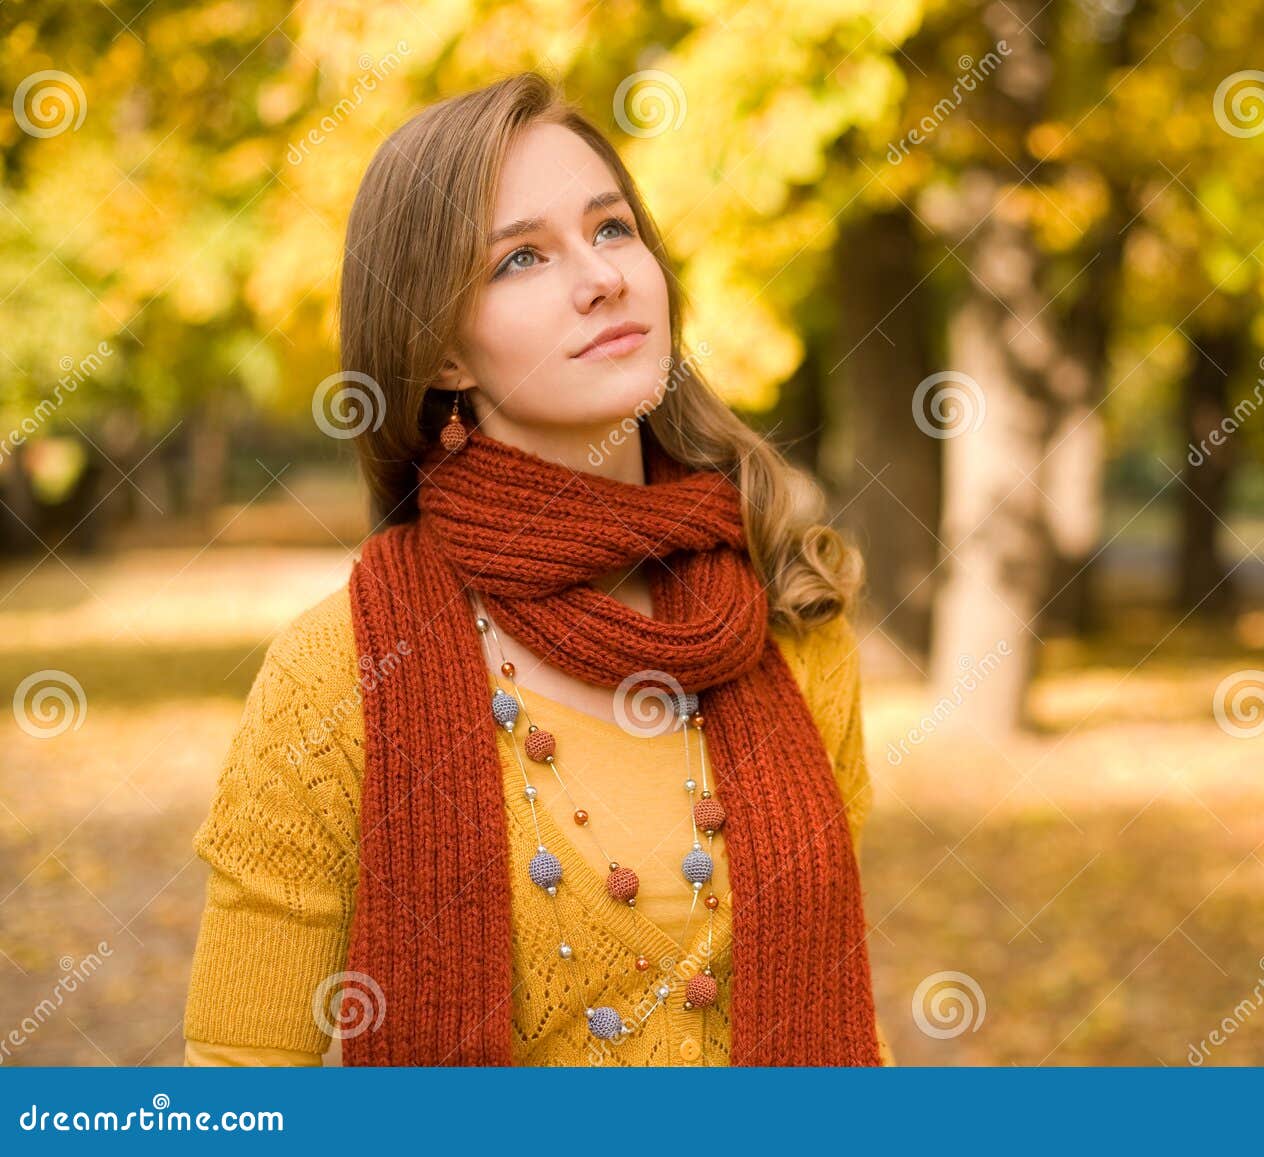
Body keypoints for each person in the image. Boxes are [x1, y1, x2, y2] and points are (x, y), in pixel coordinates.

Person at [181, 71, 893, 1067]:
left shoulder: (789, 620)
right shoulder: (333, 678)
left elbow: (843, 1015)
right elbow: (240, 1084)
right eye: (520, 257)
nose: (600, 276)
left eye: (611, 229)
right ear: (440, 355)